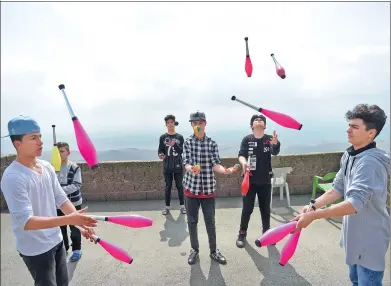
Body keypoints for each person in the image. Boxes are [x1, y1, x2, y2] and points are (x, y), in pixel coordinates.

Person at [291, 104, 390, 286]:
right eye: (349, 125)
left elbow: (354, 203)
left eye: (355, 127)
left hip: (370, 240)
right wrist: (313, 206)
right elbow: (337, 189)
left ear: (371, 133)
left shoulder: (370, 163)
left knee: (367, 281)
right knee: (355, 280)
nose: (348, 130)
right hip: (354, 236)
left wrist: (314, 216)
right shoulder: (350, 156)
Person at [0, 115, 97, 286]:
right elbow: (27, 222)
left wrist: (80, 224)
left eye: (40, 136)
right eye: (33, 138)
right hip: (35, 248)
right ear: (18, 144)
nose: (40, 142)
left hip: (56, 240)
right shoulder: (13, 177)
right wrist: (69, 219)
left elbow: (60, 198)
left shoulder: (46, 167)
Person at [182, 111, 240, 265]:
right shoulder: (187, 142)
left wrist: (226, 171)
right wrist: (190, 168)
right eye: (195, 123)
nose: (198, 126)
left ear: (205, 124)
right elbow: (186, 163)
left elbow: (216, 164)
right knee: (192, 221)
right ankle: (194, 250)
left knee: (210, 221)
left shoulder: (212, 143)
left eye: (200, 123)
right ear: (192, 125)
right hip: (191, 189)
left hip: (208, 189)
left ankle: (214, 251)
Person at [235, 114, 281, 248]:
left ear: (265, 126)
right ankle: (242, 234)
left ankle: (266, 234)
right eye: (256, 120)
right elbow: (241, 155)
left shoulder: (269, 139)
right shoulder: (247, 139)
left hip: (265, 180)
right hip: (249, 180)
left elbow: (275, 151)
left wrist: (276, 143)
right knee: (247, 209)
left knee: (265, 209)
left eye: (262, 120)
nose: (259, 121)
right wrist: (244, 163)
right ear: (252, 126)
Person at [56, 141, 84, 262]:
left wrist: (59, 191)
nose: (60, 154)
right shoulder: (52, 168)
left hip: (74, 203)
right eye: (57, 152)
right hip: (58, 205)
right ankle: (64, 248)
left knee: (75, 227)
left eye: (62, 151)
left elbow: (77, 184)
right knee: (61, 228)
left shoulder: (74, 167)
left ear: (68, 152)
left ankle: (77, 250)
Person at [158, 114, 186, 215]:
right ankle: (167, 207)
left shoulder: (180, 137)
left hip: (178, 165)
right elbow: (160, 150)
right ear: (166, 124)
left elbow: (181, 151)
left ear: (174, 123)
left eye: (171, 122)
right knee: (168, 186)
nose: (170, 124)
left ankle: (182, 207)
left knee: (180, 186)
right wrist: (161, 155)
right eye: (168, 123)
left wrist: (175, 144)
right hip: (167, 166)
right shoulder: (162, 137)